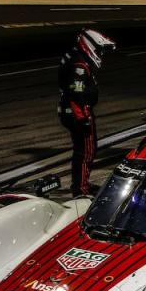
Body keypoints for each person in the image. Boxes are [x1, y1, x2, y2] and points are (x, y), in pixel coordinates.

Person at [58, 28, 114, 197]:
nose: (100, 54)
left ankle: (81, 184)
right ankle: (81, 189)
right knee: (86, 152)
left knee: (81, 151)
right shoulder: (80, 65)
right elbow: (77, 94)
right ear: (90, 45)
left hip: (71, 111)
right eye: (99, 50)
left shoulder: (75, 57)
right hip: (78, 114)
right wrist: (84, 119)